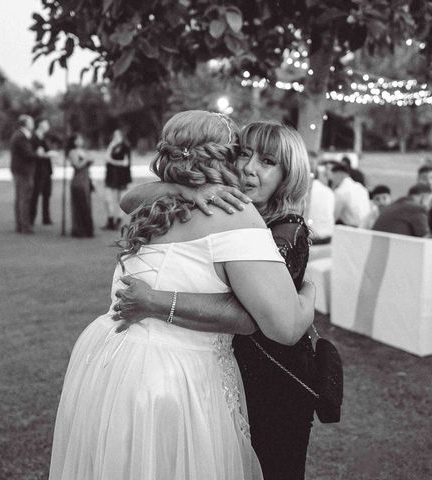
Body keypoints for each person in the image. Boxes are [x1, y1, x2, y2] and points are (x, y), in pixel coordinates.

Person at [49, 111, 315, 480]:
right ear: (225, 155)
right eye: (242, 152)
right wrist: (309, 293)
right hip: (176, 377)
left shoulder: (154, 208)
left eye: (266, 161)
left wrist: (183, 188)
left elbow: (130, 198)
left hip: (109, 361)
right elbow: (283, 326)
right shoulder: (236, 213)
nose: (249, 166)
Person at [10, 114, 44, 234]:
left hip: (20, 170)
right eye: (31, 122)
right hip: (23, 171)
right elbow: (28, 154)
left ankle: (20, 225)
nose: (33, 124)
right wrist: (39, 154)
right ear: (25, 123)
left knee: (20, 198)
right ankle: (25, 226)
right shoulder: (21, 137)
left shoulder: (20, 135)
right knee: (24, 198)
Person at [101, 129, 132, 231]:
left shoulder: (125, 147)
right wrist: (111, 146)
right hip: (111, 175)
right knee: (108, 199)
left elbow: (125, 163)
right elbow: (106, 158)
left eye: (118, 135)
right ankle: (110, 219)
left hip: (122, 176)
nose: (116, 137)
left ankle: (118, 220)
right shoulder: (112, 146)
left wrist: (112, 161)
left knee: (120, 199)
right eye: (114, 135)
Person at [65, 133, 94, 238]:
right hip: (78, 180)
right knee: (79, 205)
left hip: (86, 179)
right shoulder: (72, 152)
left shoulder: (84, 151)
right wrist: (86, 159)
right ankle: (79, 229)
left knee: (87, 204)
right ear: (74, 141)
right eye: (79, 139)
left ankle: (88, 229)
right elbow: (77, 165)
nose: (81, 140)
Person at [29, 119, 55, 226]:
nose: (48, 126)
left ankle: (46, 218)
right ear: (40, 125)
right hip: (38, 171)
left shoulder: (44, 138)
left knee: (47, 194)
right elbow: (38, 154)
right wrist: (49, 154)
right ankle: (31, 218)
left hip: (46, 170)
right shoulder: (34, 138)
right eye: (46, 123)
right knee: (35, 195)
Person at [329, 162, 371, 227]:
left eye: (333, 176)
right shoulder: (360, 187)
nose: (332, 180)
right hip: (366, 227)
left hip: (352, 229)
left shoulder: (341, 191)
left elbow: (333, 217)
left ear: (339, 174)